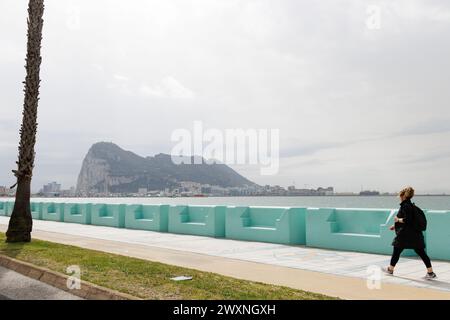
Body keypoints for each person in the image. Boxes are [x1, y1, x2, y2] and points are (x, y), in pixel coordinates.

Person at [384, 186, 437, 279]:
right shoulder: (411, 205)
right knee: (421, 253)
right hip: (415, 234)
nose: (399, 197)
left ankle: (390, 269)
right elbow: (411, 220)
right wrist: (395, 225)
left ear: (403, 196)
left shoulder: (405, 206)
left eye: (400, 195)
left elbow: (407, 220)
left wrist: (398, 220)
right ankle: (430, 273)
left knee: (396, 250)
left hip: (405, 235)